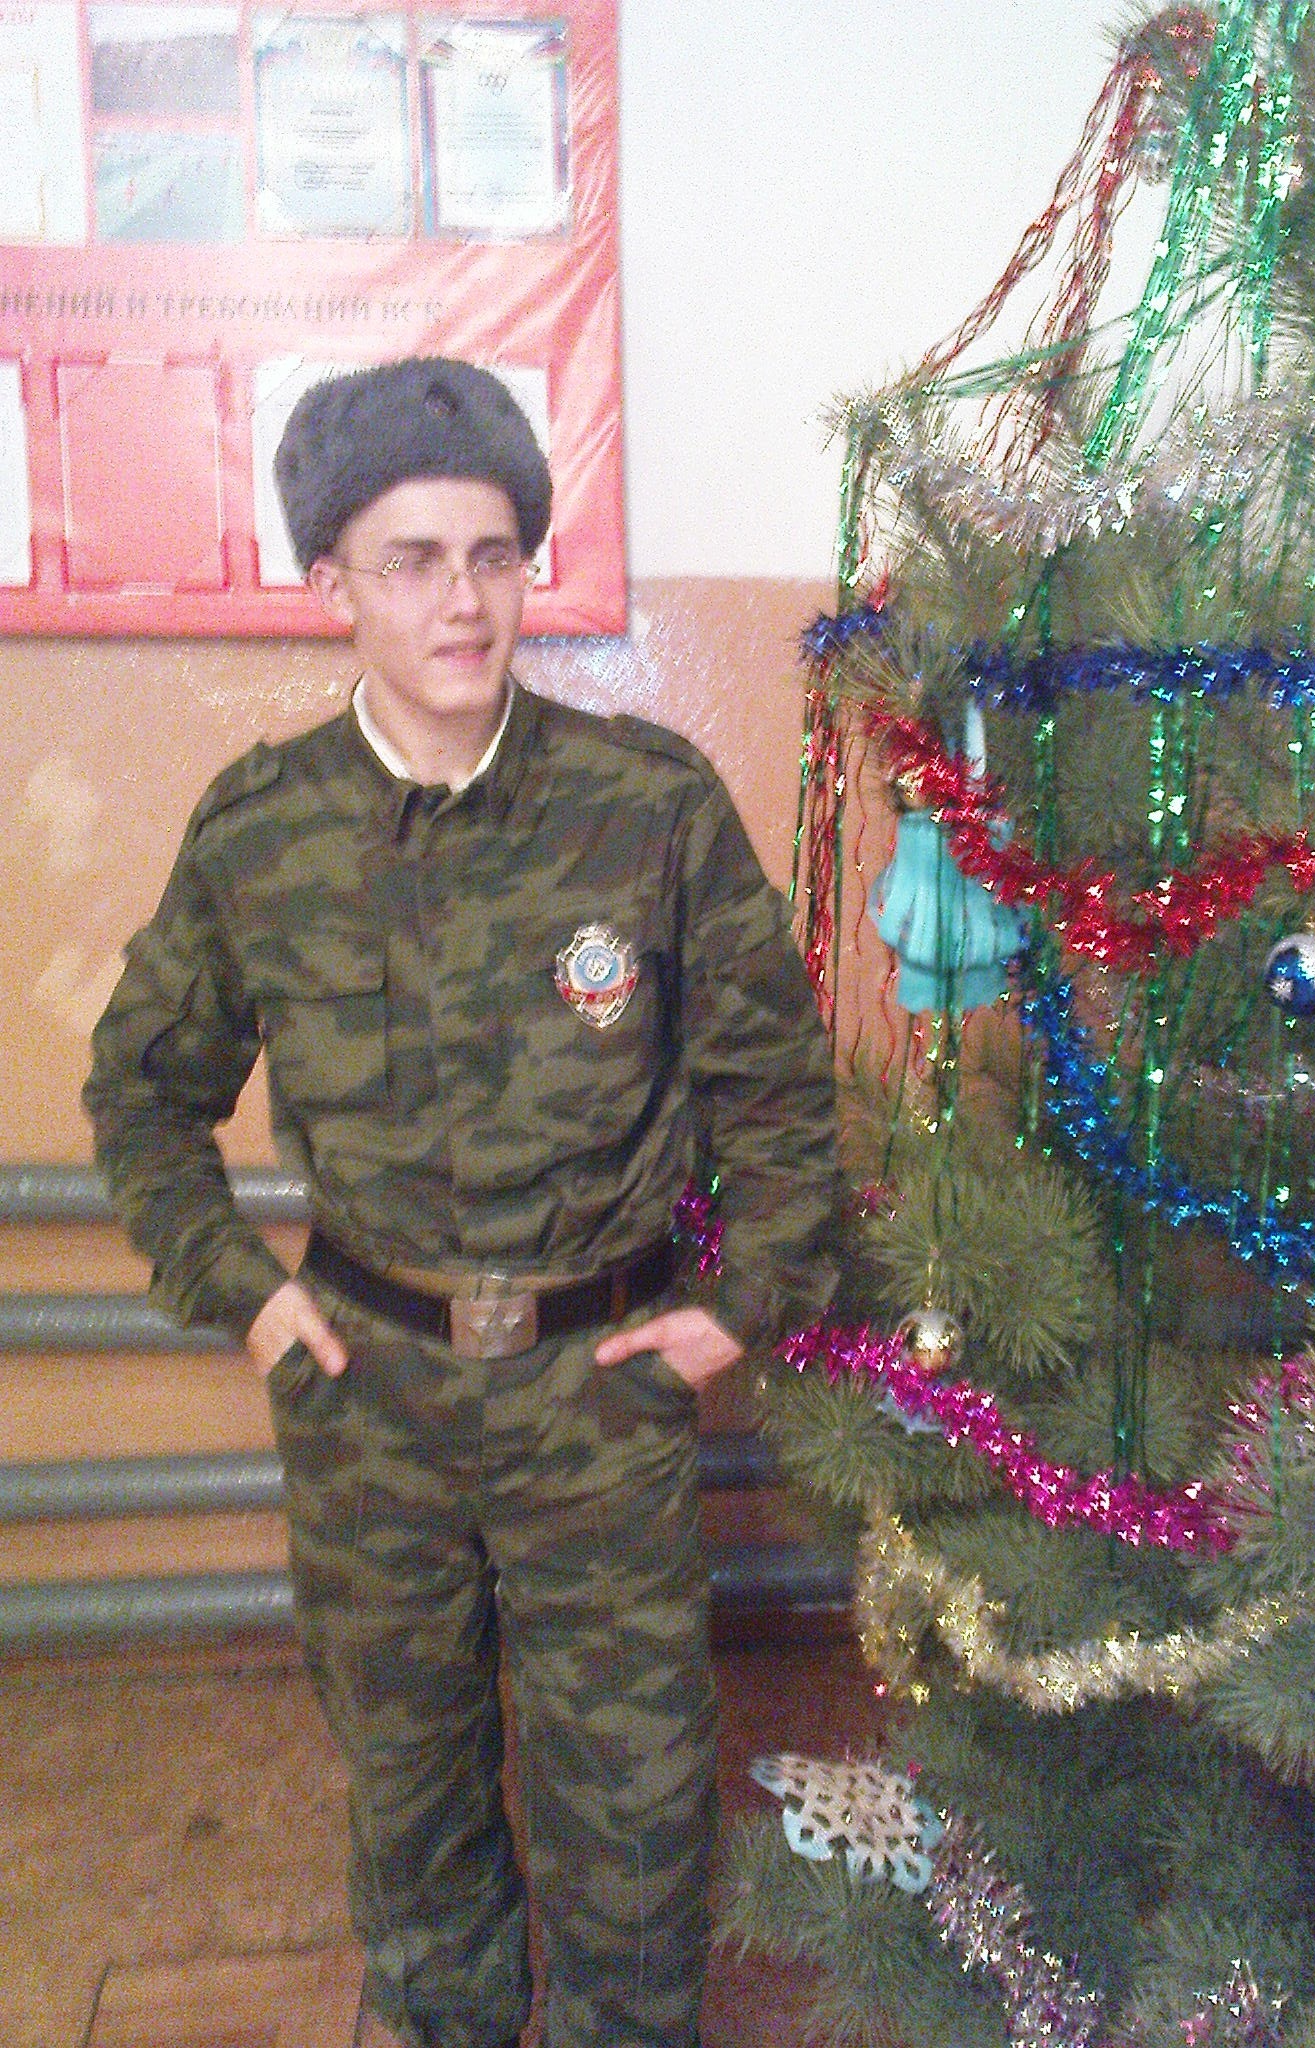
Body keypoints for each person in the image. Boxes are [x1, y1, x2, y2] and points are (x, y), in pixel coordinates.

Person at [83, 357, 841, 2048]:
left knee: (635, 1811)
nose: (463, 600)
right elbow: (140, 1091)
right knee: (409, 1794)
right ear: (331, 585)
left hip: (598, 1391)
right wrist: (243, 1291)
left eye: (494, 555)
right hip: (369, 1400)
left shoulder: (645, 809)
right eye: (413, 559)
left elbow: (780, 1089)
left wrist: (742, 1305)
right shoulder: (262, 832)